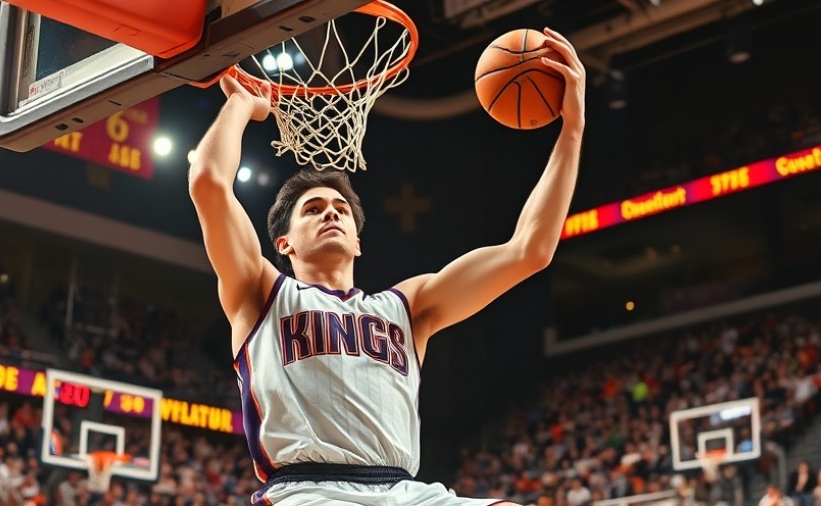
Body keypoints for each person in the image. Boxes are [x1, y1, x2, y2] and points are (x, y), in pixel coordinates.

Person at [189, 27, 586, 506]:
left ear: (359, 242)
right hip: (309, 491)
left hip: (405, 491)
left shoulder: (408, 305)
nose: (331, 212)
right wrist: (241, 106)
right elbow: (209, 182)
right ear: (284, 242)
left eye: (340, 208)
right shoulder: (260, 292)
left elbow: (531, 250)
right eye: (313, 209)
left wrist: (573, 127)